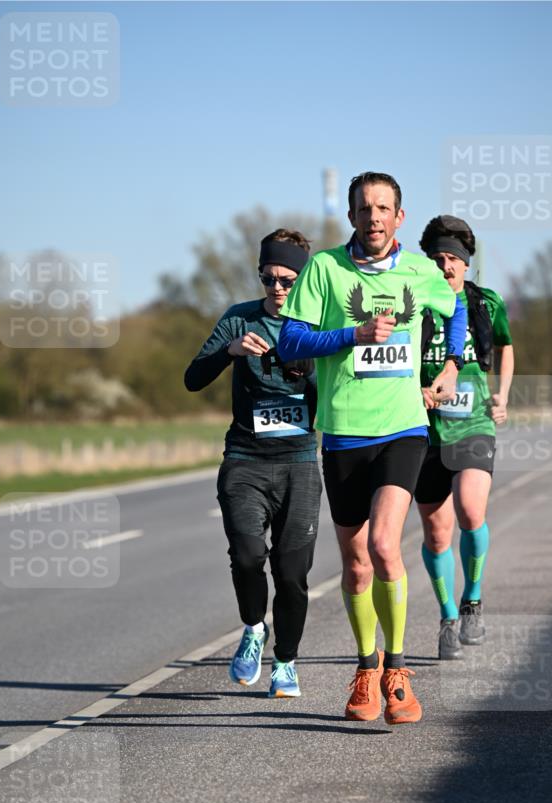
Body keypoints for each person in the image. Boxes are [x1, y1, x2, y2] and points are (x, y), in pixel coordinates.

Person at [278, 172, 467, 725]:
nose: (374, 217)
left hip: (403, 427)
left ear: (399, 217)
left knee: (386, 545)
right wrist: (350, 336)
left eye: (384, 208)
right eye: (365, 208)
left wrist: (451, 362)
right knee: (356, 565)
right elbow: (291, 340)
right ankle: (366, 666)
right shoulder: (325, 269)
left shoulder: (421, 270)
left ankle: (398, 672)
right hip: (342, 433)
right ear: (353, 217)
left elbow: (453, 306)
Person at [184, 229, 321, 697]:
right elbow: (192, 379)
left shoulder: (322, 322)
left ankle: (286, 662)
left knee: (292, 574)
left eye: (288, 280)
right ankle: (253, 629)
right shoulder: (239, 319)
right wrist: (230, 351)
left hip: (300, 462)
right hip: (245, 459)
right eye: (269, 279)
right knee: (246, 557)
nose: (278, 289)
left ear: (305, 279)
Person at [413, 215, 514, 660]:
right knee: (437, 534)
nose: (446, 266)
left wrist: (502, 395)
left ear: (467, 264)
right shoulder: (412, 303)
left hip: (473, 420)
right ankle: (448, 615)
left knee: (472, 510)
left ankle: (473, 599)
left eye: (453, 258)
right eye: (437, 258)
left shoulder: (486, 302)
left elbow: (506, 346)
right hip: (424, 426)